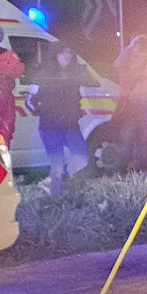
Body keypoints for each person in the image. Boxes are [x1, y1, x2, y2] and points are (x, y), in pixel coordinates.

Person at [31, 43, 88, 193]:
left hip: (71, 126)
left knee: (82, 159)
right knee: (57, 164)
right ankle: (55, 203)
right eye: (62, 52)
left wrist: (76, 113)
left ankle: (53, 180)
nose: (66, 56)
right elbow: (30, 100)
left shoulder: (74, 75)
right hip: (50, 127)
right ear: (55, 55)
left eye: (69, 52)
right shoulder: (43, 75)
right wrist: (44, 112)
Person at [113, 34, 147, 172]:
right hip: (131, 104)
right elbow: (117, 64)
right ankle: (127, 169)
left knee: (142, 138)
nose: (139, 45)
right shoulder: (128, 60)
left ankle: (140, 170)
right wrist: (130, 48)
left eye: (141, 43)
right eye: (136, 42)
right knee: (127, 138)